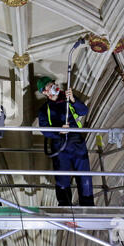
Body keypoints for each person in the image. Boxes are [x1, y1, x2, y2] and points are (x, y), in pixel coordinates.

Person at [37, 76, 94, 206]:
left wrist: (74, 100)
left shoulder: (68, 100)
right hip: (60, 145)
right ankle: (65, 205)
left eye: (53, 84)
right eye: (49, 86)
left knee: (84, 174)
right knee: (62, 177)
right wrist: (58, 131)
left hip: (76, 141)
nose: (53, 87)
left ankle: (88, 204)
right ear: (44, 92)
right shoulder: (44, 110)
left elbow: (84, 111)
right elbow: (44, 129)